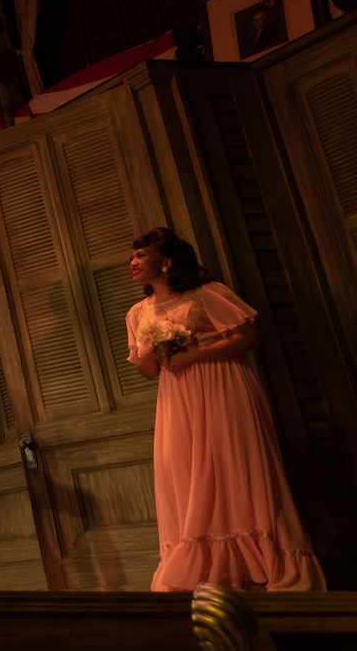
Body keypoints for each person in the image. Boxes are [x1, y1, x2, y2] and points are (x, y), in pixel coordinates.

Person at [126, 227, 324, 591]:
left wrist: (195, 354)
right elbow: (148, 370)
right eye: (133, 256)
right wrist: (154, 349)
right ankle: (206, 570)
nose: (133, 262)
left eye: (141, 255)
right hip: (177, 398)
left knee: (235, 466)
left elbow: (248, 338)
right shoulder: (138, 312)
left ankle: (265, 564)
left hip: (222, 387)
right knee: (187, 473)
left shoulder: (206, 294)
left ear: (167, 261)